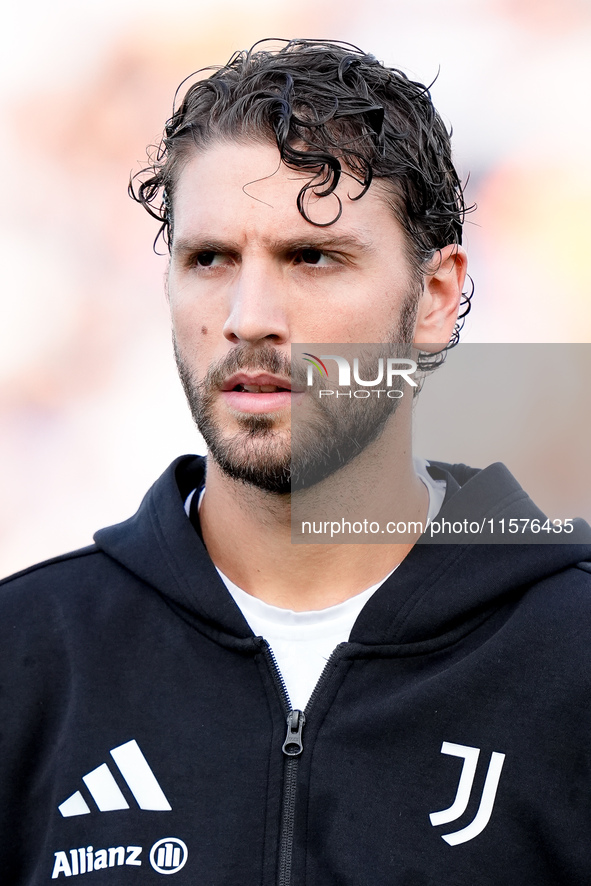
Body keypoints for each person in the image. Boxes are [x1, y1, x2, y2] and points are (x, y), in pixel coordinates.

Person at [1, 38, 591, 886]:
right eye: (210, 259)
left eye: (310, 257)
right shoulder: (29, 660)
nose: (249, 317)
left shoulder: (567, 656)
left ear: (434, 299)